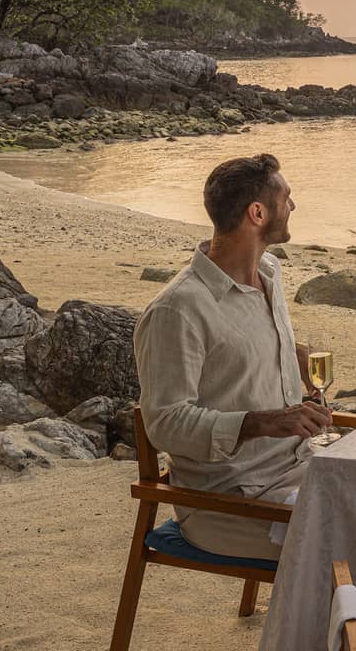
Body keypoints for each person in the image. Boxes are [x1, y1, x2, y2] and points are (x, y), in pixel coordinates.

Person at [133, 153, 331, 560]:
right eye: (286, 198)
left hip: (299, 466)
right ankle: (340, 623)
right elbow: (165, 423)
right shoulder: (179, 310)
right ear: (257, 213)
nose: (293, 206)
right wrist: (264, 422)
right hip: (228, 501)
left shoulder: (269, 272)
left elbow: (243, 348)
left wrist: (295, 361)